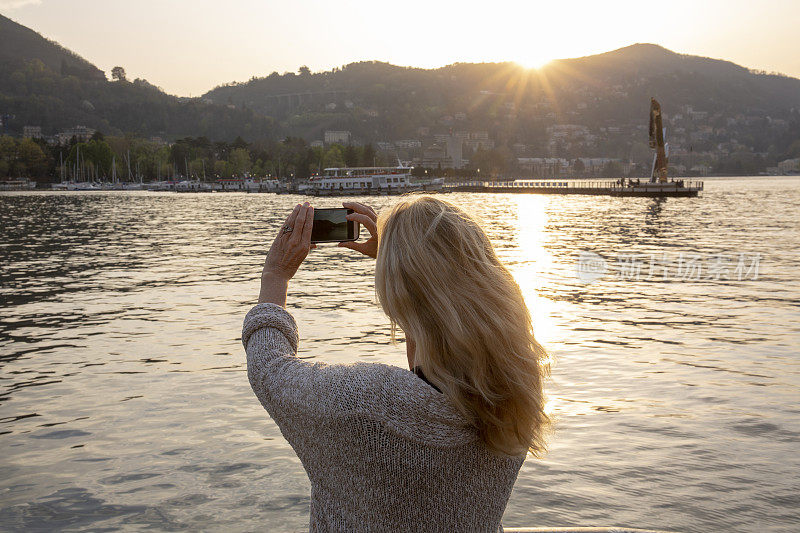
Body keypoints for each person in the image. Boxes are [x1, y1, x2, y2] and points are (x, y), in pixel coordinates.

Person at [243, 197, 550, 532]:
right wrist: (395, 263)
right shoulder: (516, 391)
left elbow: (269, 369)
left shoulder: (370, 404)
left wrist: (275, 275)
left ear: (401, 295)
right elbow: (442, 317)